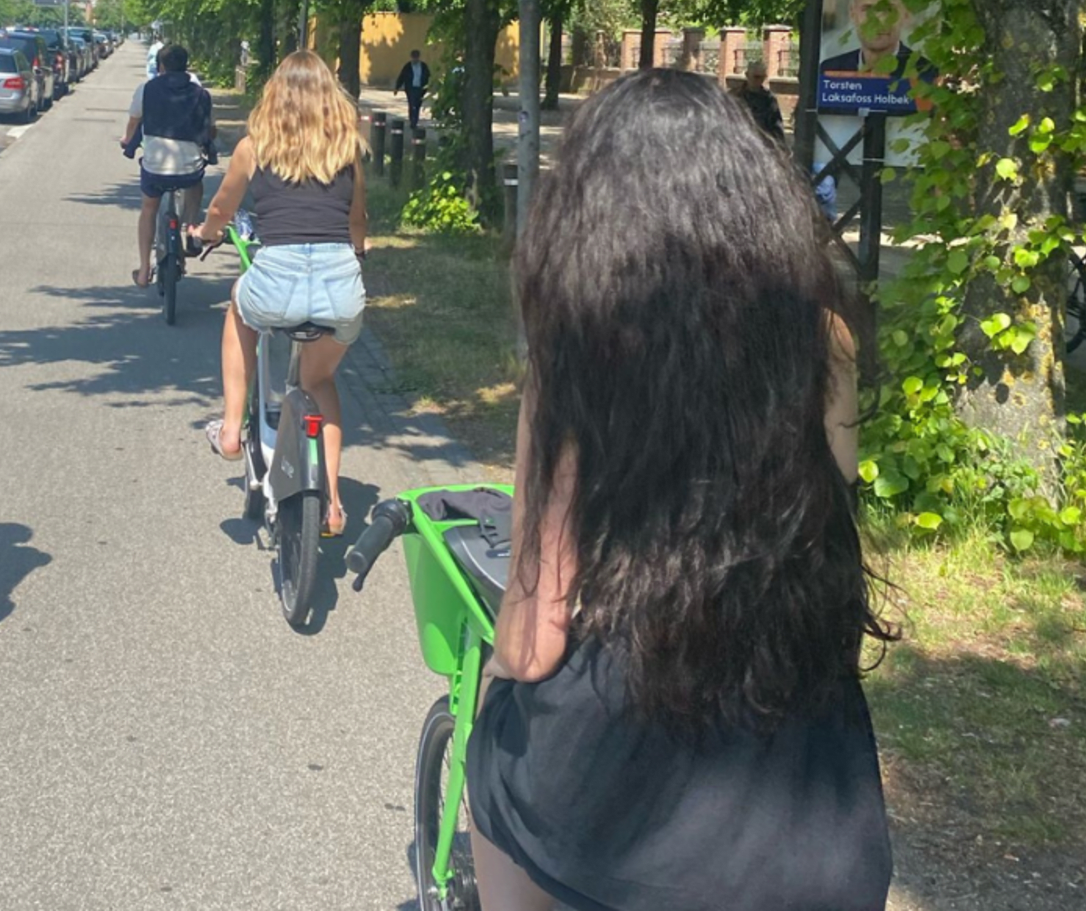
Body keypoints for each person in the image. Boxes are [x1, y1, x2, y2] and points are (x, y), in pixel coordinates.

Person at [467, 69, 895, 911]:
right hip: (814, 815)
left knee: (492, 758)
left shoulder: (576, 358)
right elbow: (830, 546)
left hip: (613, 823)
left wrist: (492, 694)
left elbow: (532, 640)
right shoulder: (827, 341)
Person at [191, 50, 368, 537]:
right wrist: (359, 249)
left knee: (238, 307)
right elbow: (357, 222)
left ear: (274, 95)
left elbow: (222, 209)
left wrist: (204, 234)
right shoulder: (346, 148)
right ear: (331, 98)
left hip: (276, 280)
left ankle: (230, 429)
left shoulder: (255, 147)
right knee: (320, 382)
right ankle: (332, 506)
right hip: (339, 287)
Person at [121, 44, 214, 287]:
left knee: (149, 209)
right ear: (186, 65)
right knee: (196, 186)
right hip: (189, 170)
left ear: (160, 66)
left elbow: (133, 122)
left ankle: (143, 271)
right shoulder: (201, 94)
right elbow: (209, 129)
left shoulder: (146, 89)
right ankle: (192, 228)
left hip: (155, 169)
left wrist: (127, 140)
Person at [731, 59, 786, 144]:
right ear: (747, 75)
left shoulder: (769, 99)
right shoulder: (734, 96)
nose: (758, 80)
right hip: (738, 142)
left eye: (761, 77)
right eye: (756, 77)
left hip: (761, 144)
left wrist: (780, 146)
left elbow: (776, 126)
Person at [393, 49, 431, 127]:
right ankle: (412, 121)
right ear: (411, 57)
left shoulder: (423, 66)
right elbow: (402, 77)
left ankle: (415, 120)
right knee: (412, 103)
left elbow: (428, 76)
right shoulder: (408, 66)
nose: (415, 59)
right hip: (411, 88)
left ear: (418, 57)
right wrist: (397, 87)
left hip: (420, 88)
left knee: (417, 105)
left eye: (416, 57)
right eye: (413, 57)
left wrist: (428, 86)